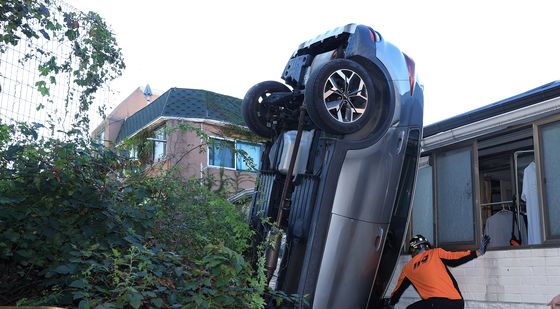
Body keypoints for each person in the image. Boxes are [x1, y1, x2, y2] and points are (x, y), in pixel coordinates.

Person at [380, 234, 491, 309]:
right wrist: (477, 252)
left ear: (413, 249)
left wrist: (391, 302)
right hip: (456, 303)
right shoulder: (435, 253)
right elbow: (454, 259)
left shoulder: (408, 268)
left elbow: (398, 290)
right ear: (425, 245)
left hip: (437, 304)